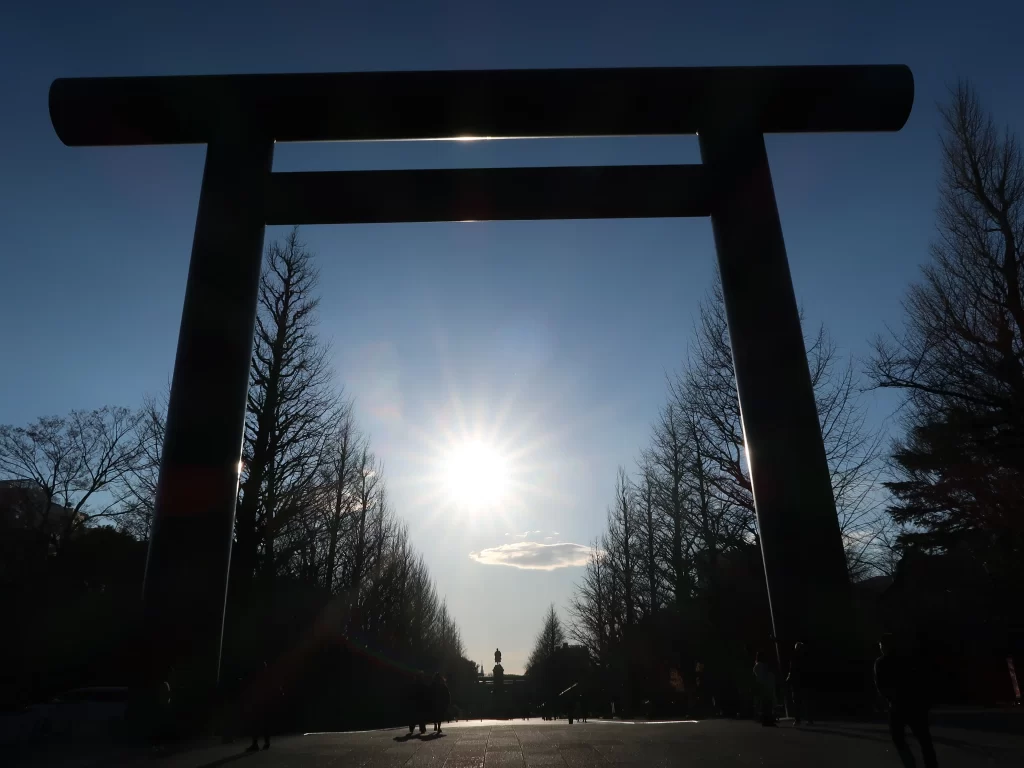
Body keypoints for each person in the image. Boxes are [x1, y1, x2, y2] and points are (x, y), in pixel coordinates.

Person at [874, 635, 938, 768]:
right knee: (924, 740)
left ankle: (910, 764)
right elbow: (922, 680)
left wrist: (889, 700)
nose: (881, 648)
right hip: (915, 705)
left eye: (881, 646)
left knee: (899, 739)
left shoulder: (881, 663)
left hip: (898, 706)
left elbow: (881, 686)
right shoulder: (908, 659)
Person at [787, 642, 814, 726]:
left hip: (797, 682)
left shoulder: (794, 658)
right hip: (804, 681)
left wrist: (789, 678)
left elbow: (791, 670)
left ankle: (798, 720)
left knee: (797, 702)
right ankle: (809, 719)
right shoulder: (806, 657)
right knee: (806, 701)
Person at [753, 652, 777, 727]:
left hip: (762, 686)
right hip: (766, 686)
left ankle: (766, 720)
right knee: (767, 704)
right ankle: (768, 720)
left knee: (765, 704)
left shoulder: (757, 666)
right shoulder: (762, 666)